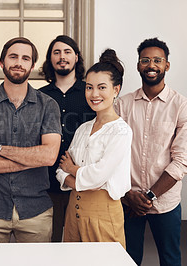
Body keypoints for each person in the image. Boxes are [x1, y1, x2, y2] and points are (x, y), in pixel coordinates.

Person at [0, 37, 62, 243]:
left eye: (25, 58)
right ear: (2, 63)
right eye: (13, 56)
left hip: (35, 210)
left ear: (32, 65)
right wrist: (29, 159)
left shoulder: (48, 106)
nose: (19, 62)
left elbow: (49, 157)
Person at [115, 38, 187, 266]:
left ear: (166, 66)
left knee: (170, 259)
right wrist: (128, 194)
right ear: (139, 65)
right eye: (145, 60)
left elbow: (181, 161)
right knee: (127, 259)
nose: (152, 65)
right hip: (128, 199)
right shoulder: (122, 105)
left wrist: (149, 196)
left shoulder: (181, 105)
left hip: (165, 201)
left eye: (158, 60)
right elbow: (113, 155)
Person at [56, 49, 132, 247]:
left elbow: (98, 176)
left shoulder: (121, 131)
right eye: (89, 87)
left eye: (101, 87)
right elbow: (60, 169)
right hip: (74, 211)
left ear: (116, 90)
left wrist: (72, 170)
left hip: (103, 213)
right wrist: (79, 178)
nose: (94, 94)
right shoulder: (83, 128)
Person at [39, 35, 96, 242]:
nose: (62, 57)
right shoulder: (39, 96)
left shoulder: (90, 93)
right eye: (56, 52)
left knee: (81, 247)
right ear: (50, 59)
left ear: (76, 57)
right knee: (49, 245)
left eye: (67, 52)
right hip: (46, 186)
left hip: (82, 184)